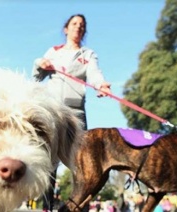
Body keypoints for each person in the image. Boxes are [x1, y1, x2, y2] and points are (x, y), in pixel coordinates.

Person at [32, 14, 111, 211]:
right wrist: (40, 63)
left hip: (76, 114)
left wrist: (101, 85)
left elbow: (94, 73)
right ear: (66, 29)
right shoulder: (54, 51)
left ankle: (79, 207)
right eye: (74, 24)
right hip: (54, 110)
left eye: (82, 25)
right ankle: (46, 207)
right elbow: (36, 76)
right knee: (49, 162)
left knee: (81, 162)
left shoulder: (88, 54)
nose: (78, 27)